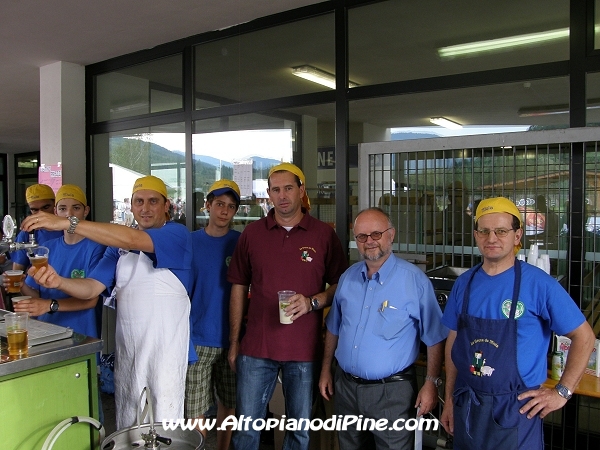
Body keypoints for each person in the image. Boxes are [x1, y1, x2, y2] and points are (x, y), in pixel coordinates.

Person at [23, 175, 193, 430]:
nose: (145, 208)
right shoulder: (117, 250)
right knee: (129, 418)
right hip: (129, 347)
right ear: (132, 205)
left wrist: (66, 223)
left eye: (153, 201)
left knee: (164, 420)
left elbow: (132, 239)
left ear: (166, 205)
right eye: (139, 201)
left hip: (165, 348)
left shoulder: (176, 234)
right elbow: (91, 287)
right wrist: (58, 282)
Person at [440, 197, 596, 449]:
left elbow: (584, 337)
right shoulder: (464, 283)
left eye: (501, 231)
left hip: (516, 409)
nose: (492, 238)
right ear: (476, 235)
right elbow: (453, 342)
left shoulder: (539, 284)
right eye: (484, 231)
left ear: (517, 235)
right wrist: (448, 399)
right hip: (467, 404)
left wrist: (562, 391)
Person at [227, 163, 348, 450]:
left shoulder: (323, 235)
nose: (282, 196)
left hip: (304, 351)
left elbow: (341, 287)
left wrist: (312, 302)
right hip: (257, 347)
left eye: (289, 188)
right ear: (268, 194)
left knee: (300, 432)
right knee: (246, 431)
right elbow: (238, 288)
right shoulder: (252, 234)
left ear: (302, 190)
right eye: (276, 190)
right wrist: (234, 343)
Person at [318, 207, 448, 450]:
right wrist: (326, 369)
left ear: (391, 235)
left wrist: (431, 382)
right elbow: (334, 328)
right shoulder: (347, 278)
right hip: (345, 388)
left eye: (376, 234)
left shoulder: (414, 280)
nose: (369, 242)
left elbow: (434, 337)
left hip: (392, 393)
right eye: (362, 237)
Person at [185, 179, 241, 450]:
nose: (224, 211)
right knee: (195, 407)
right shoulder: (190, 242)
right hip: (197, 337)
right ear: (207, 206)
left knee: (229, 403)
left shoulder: (241, 243)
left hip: (232, 339)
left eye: (231, 206)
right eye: (219, 204)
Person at [15, 184, 106, 338]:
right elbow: (37, 295)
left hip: (81, 334)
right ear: (55, 212)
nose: (69, 214)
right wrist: (20, 283)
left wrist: (49, 305)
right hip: (46, 331)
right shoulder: (46, 249)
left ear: (86, 211)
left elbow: (91, 299)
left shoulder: (96, 247)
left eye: (76, 208)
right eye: (63, 209)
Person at [12, 183, 63, 271]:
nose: (41, 213)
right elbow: (17, 270)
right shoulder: (27, 233)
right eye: (35, 210)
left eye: (46, 207)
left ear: (55, 206)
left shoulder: (68, 228)